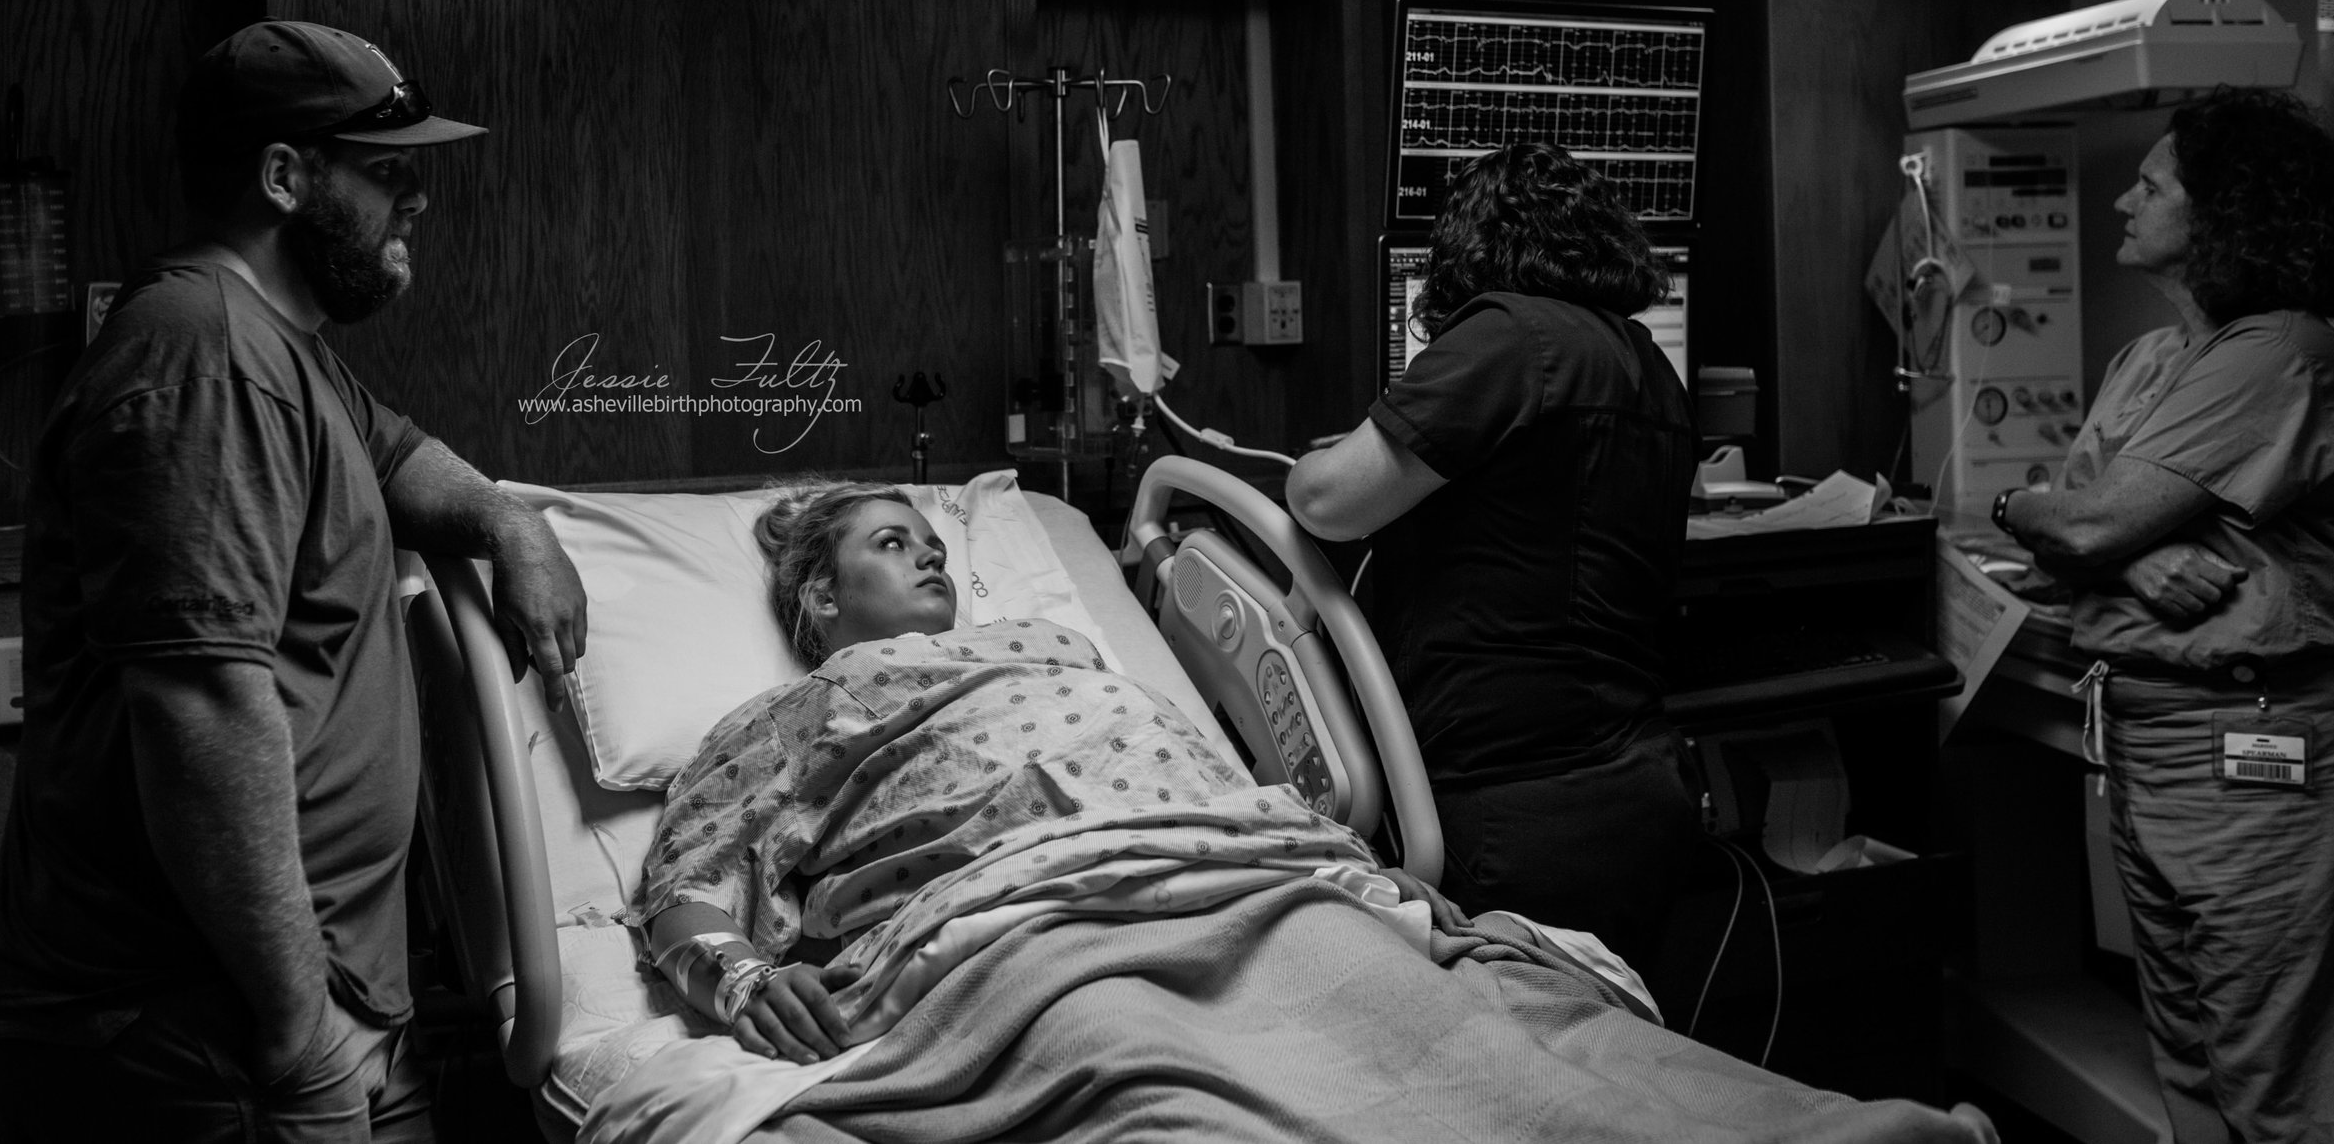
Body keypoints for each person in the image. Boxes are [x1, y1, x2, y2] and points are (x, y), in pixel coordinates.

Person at [610, 480, 1997, 1144]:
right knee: (1152, 1080)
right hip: (1024, 926)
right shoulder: (789, 714)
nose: (930, 556)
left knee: (1457, 1033)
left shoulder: (1063, 649)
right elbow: (686, 872)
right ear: (816, 598)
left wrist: (1354, 872)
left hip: (1240, 872)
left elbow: (1220, 777)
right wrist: (731, 964)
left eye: (934, 535)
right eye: (889, 543)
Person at [0, 21, 590, 1141]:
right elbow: (200, 712)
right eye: (388, 170)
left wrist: (510, 520)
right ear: (284, 176)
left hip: (280, 1009)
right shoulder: (205, 359)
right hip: (197, 1025)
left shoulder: (280, 349)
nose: (419, 200)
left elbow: (399, 458)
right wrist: (301, 1031)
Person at [1993, 88, 2334, 1144]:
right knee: (2191, 1049)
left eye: (2150, 183)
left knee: (2274, 1067)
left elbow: (2075, 525)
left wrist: (2053, 520)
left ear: (2219, 215)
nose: (2122, 196)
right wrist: (2119, 550)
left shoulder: (2282, 351)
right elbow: (2077, 539)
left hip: (2252, 745)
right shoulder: (2150, 361)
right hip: (2153, 741)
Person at [1284, 143, 1697, 964]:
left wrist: (1323, 463)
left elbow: (1327, 501)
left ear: (1473, 249)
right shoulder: (1649, 366)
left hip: (1516, 811)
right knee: (1618, 1063)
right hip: (1637, 795)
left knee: (1510, 1072)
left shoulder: (1510, 334)